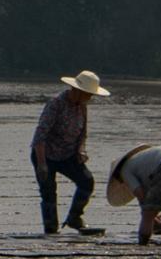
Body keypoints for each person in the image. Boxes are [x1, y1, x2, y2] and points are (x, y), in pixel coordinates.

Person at [30, 71, 110, 236]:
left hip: (68, 155)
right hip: (45, 154)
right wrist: (42, 164)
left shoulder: (82, 107)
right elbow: (40, 135)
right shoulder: (56, 104)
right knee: (48, 193)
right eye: (89, 94)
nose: (90, 98)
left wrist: (81, 150)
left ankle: (75, 218)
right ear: (78, 91)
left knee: (86, 182)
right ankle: (51, 230)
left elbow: (83, 132)